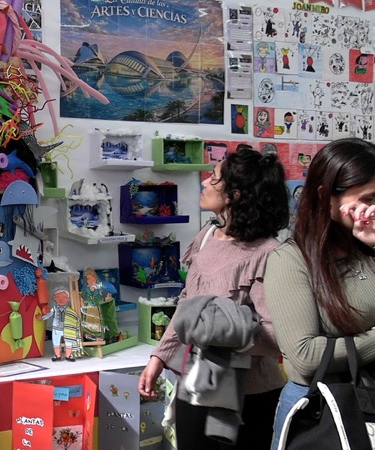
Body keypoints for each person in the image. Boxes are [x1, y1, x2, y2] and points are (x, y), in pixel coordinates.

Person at [137, 147, 290, 449]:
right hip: (195, 384)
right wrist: (158, 358)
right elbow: (187, 305)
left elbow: (277, 337)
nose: (205, 182)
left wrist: (220, 334)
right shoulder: (206, 237)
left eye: (214, 177)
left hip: (249, 397)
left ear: (234, 195)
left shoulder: (269, 252)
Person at [264, 138, 375, 450]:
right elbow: (305, 356)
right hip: (322, 411)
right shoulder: (290, 259)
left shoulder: (367, 248)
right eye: (367, 198)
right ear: (326, 196)